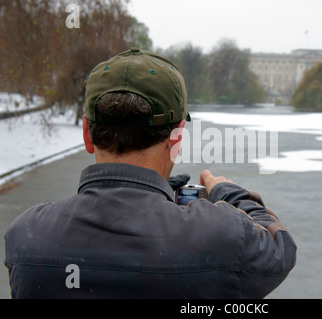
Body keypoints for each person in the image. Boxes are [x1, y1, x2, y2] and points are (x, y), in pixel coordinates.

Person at [4, 48, 297, 299]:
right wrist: (227, 192)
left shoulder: (26, 237)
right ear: (177, 137)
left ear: (87, 134)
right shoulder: (220, 238)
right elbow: (280, 249)